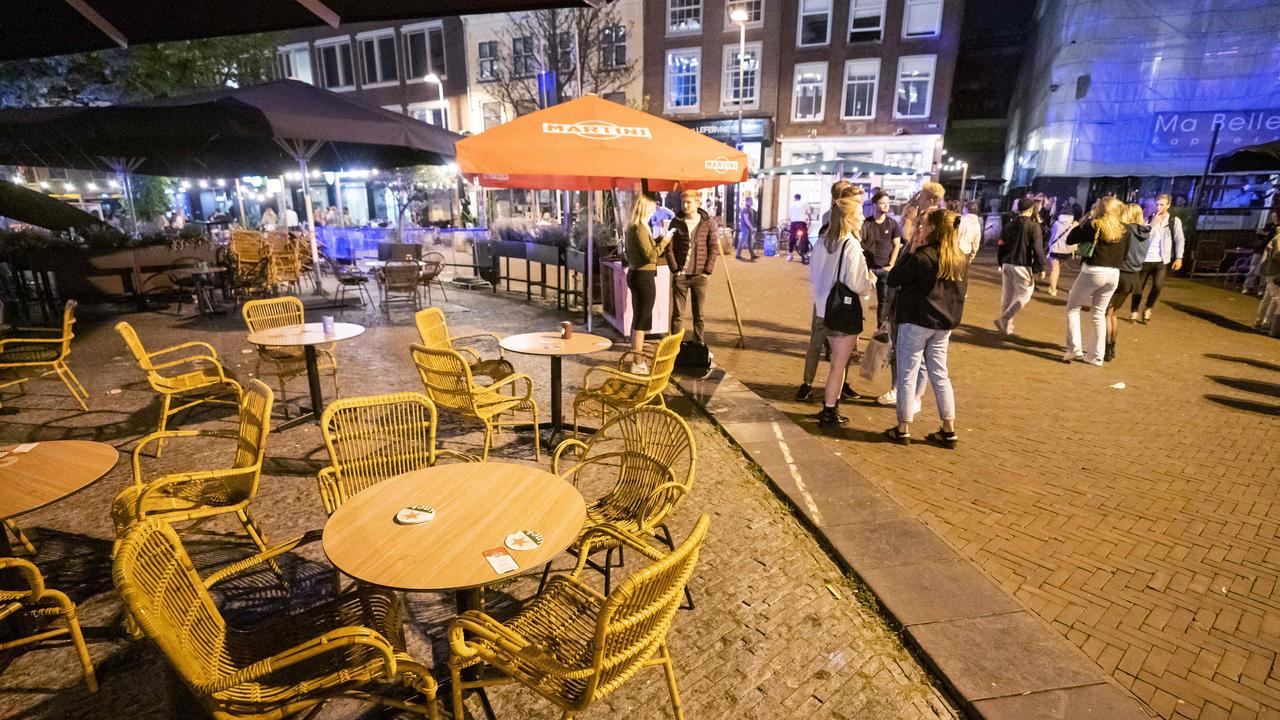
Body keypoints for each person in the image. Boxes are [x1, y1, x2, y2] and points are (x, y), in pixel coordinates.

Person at [884, 208, 967, 447]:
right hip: (943, 325)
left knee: (907, 373)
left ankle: (903, 427)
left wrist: (911, 250)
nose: (921, 228)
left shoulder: (924, 257)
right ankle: (948, 428)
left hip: (916, 320)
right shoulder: (960, 258)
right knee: (940, 374)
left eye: (925, 225)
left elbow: (894, 278)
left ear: (933, 229)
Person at [809, 198, 875, 426]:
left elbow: (814, 276)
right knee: (839, 364)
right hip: (843, 312)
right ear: (848, 218)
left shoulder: (821, 242)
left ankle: (830, 406)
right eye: (860, 214)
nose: (864, 218)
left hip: (823, 309)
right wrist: (870, 281)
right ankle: (829, 410)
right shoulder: (851, 245)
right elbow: (857, 283)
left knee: (836, 361)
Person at [878, 181, 945, 409]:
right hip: (928, 306)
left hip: (914, 304)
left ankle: (904, 397)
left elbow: (899, 275)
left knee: (908, 354)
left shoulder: (929, 231)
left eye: (921, 197)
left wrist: (913, 248)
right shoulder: (940, 228)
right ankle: (914, 397)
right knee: (926, 360)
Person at [796, 181, 862, 402]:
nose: (862, 216)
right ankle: (816, 390)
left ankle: (833, 387)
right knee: (829, 352)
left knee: (838, 354)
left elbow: (815, 270)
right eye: (858, 208)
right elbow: (855, 281)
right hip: (836, 303)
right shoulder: (841, 238)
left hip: (827, 300)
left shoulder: (833, 238)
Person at [1064, 197, 1128, 366]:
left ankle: (1074, 348)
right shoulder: (1123, 230)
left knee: (1072, 308)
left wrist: (1087, 219)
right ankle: (1096, 356)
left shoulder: (1094, 225)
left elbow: (1070, 238)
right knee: (1099, 314)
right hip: (1114, 273)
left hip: (1093, 270)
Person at [624, 194, 674, 373]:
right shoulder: (638, 228)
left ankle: (636, 357)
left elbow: (647, 249)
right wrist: (665, 242)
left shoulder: (634, 227)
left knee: (638, 318)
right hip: (642, 277)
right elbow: (651, 255)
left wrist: (660, 239)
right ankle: (637, 362)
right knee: (642, 320)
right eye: (652, 208)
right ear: (645, 208)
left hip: (637, 275)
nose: (654, 212)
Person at [668, 189, 718, 343]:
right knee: (677, 315)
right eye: (683, 202)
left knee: (699, 316)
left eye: (688, 202)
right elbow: (668, 247)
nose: (685, 205)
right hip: (680, 275)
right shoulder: (676, 222)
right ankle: (675, 348)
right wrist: (675, 270)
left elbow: (713, 247)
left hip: (699, 276)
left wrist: (707, 272)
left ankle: (699, 346)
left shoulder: (707, 222)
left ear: (697, 203)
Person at [1105, 203, 1153, 360]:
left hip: (1119, 273)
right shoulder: (1146, 233)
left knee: (1107, 313)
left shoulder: (1126, 230)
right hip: (1134, 275)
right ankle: (1112, 346)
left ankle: (1106, 348)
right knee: (1115, 313)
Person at [995, 195, 1047, 336]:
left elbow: (1000, 245)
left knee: (1008, 296)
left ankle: (1006, 326)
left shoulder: (1009, 224)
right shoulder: (1033, 226)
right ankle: (1004, 319)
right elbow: (1037, 249)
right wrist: (1041, 267)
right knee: (1025, 293)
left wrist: (1001, 262)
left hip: (1007, 263)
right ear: (1030, 210)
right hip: (1022, 265)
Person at [1129, 193, 1184, 324]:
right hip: (1146, 259)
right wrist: (1152, 224)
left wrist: (1179, 257)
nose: (1159, 207)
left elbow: (1180, 239)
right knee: (1138, 287)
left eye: (1162, 204)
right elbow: (1142, 235)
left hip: (1161, 260)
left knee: (1158, 286)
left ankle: (1148, 308)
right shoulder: (1148, 217)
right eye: (1157, 204)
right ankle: (1134, 311)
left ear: (1168, 205)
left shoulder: (1174, 221)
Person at [862, 191, 903, 328]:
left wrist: (891, 265)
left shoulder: (892, 224)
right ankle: (854, 334)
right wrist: (866, 269)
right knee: (862, 301)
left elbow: (897, 245)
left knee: (884, 302)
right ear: (875, 204)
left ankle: (880, 331)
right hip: (868, 269)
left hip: (885, 268)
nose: (886, 205)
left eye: (887, 203)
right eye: (882, 203)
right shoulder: (866, 223)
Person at [1254, 226, 1280, 329]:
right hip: (1275, 271)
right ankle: (1267, 322)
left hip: (1269, 270)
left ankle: (1259, 320)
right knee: (1276, 298)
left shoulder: (1275, 238)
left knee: (1267, 297)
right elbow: (1277, 255)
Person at [1046, 211, 1077, 296]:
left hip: (1056, 249)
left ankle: (1053, 289)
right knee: (1058, 268)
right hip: (1067, 250)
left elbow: (1052, 235)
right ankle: (1053, 285)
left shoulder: (1056, 223)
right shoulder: (1075, 224)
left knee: (1055, 268)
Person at [786, 193, 810, 262]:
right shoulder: (805, 204)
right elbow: (809, 214)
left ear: (795, 198)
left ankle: (790, 254)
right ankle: (805, 254)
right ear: (800, 198)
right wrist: (809, 222)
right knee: (805, 238)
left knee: (792, 238)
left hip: (794, 223)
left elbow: (790, 215)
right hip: (802, 223)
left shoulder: (791, 205)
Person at [735, 195, 758, 260]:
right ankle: (738, 255)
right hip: (745, 228)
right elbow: (746, 220)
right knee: (742, 241)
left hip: (747, 228)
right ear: (748, 201)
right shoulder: (746, 209)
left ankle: (752, 255)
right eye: (751, 201)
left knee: (749, 241)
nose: (752, 202)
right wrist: (751, 227)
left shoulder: (749, 209)